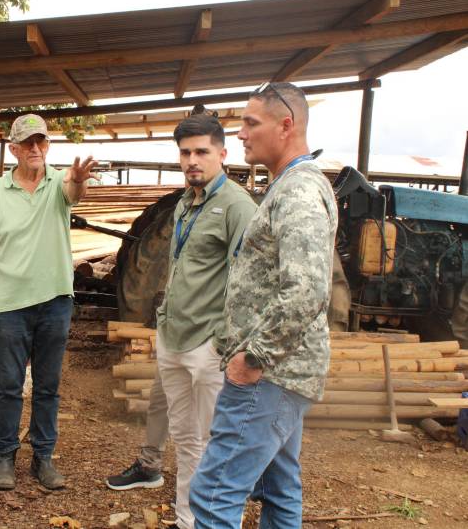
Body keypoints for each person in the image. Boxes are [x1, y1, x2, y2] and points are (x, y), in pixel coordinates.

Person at [189, 82, 338, 529]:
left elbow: (307, 289)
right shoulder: (289, 186)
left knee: (214, 493)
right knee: (279, 488)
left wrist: (253, 357)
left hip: (269, 374)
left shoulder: (297, 192)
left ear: (286, 126)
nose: (241, 133)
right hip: (282, 372)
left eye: (251, 123)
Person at [109, 114, 256, 529]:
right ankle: (188, 519)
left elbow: (248, 280)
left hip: (207, 344)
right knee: (188, 439)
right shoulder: (186, 203)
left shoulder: (237, 206)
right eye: (186, 152)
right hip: (174, 338)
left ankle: (218, 521)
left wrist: (223, 341)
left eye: (202, 152)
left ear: (222, 154)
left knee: (214, 443)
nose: (193, 160)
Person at [0, 114, 97, 490]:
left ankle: (43, 457)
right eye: (28, 143)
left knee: (47, 385)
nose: (36, 149)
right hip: (10, 304)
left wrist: (78, 180)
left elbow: (74, 193)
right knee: (10, 384)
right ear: (13, 149)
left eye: (41, 142)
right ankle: (6, 456)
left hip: (55, 300)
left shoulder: (59, 181)